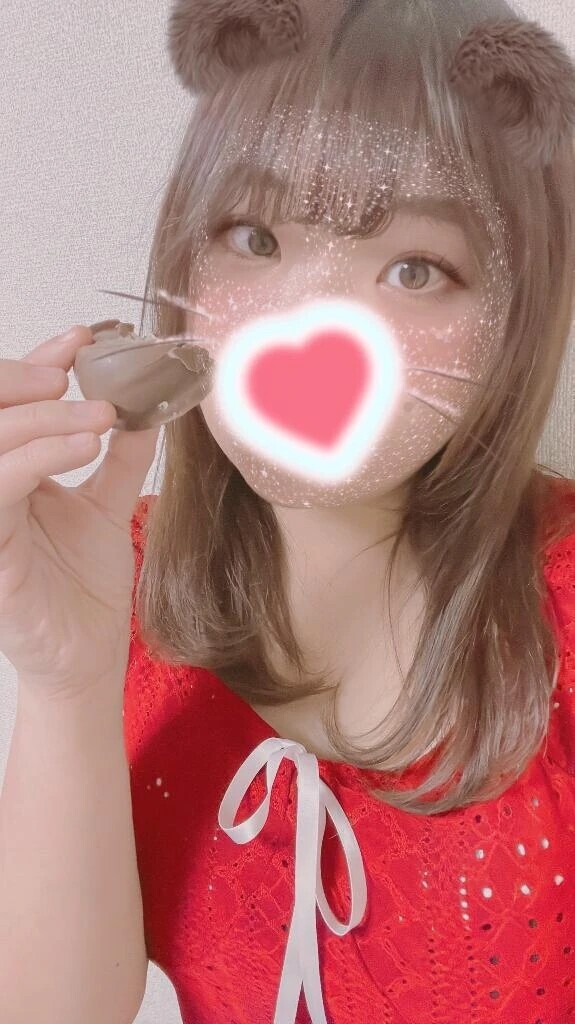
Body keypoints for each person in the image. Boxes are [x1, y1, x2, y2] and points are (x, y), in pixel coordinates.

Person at [1, 0, 575, 1022]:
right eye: (253, 236)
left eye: (415, 269)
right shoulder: (112, 571)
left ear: (515, 317)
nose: (303, 320)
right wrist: (63, 682)